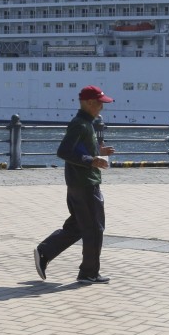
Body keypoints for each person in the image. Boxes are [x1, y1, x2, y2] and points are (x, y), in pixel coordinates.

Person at [34, 85, 117, 283]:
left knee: (79, 225)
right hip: (85, 183)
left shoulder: (86, 123)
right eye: (99, 104)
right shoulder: (80, 124)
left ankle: (45, 251)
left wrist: (99, 150)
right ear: (89, 103)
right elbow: (64, 151)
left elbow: (79, 149)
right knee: (95, 228)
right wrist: (91, 161)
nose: (101, 108)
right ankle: (88, 273)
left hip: (79, 183)